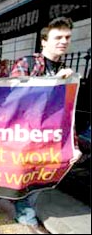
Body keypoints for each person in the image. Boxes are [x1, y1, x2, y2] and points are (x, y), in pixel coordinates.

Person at [10, 16, 82, 234]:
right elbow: (14, 97)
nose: (63, 41)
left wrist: (74, 145)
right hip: (25, 138)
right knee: (26, 180)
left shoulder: (66, 71)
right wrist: (52, 84)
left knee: (40, 180)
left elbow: (67, 114)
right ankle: (26, 218)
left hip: (48, 140)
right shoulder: (27, 64)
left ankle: (23, 211)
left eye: (67, 37)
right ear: (44, 41)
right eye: (58, 37)